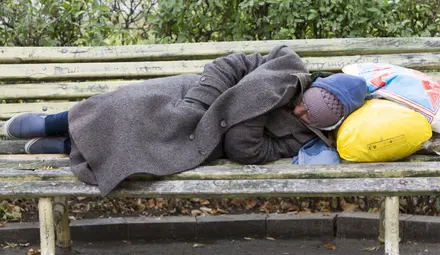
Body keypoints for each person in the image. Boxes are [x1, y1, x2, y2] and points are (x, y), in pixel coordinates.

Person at [4, 45, 367, 195]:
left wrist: (248, 116)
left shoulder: (301, 137)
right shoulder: (285, 66)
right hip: (193, 95)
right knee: (128, 105)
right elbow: (229, 65)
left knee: (144, 151)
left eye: (311, 118)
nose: (301, 113)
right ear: (314, 87)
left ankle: (70, 145)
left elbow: (249, 151)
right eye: (307, 104)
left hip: (206, 142)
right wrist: (199, 102)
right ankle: (57, 122)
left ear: (322, 126)